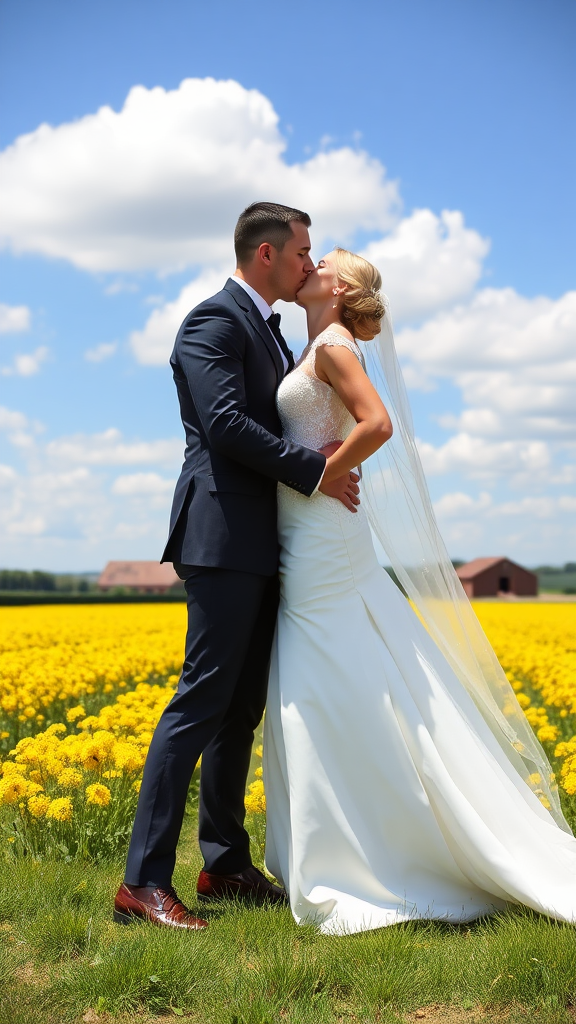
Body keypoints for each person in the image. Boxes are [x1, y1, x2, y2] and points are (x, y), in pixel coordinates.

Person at [263, 246, 576, 935]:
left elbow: (378, 424)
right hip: (311, 531)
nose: (308, 264)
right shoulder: (317, 341)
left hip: (323, 531)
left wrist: (318, 472)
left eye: (323, 261)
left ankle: (364, 853)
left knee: (318, 681)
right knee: (328, 676)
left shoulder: (336, 345)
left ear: (340, 287)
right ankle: (351, 840)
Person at [114, 203, 360, 930]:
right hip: (221, 537)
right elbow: (224, 425)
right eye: (302, 253)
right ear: (264, 255)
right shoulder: (212, 321)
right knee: (198, 705)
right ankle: (143, 883)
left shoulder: (269, 329)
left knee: (239, 711)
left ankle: (222, 862)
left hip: (265, 543)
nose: (309, 264)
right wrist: (315, 470)